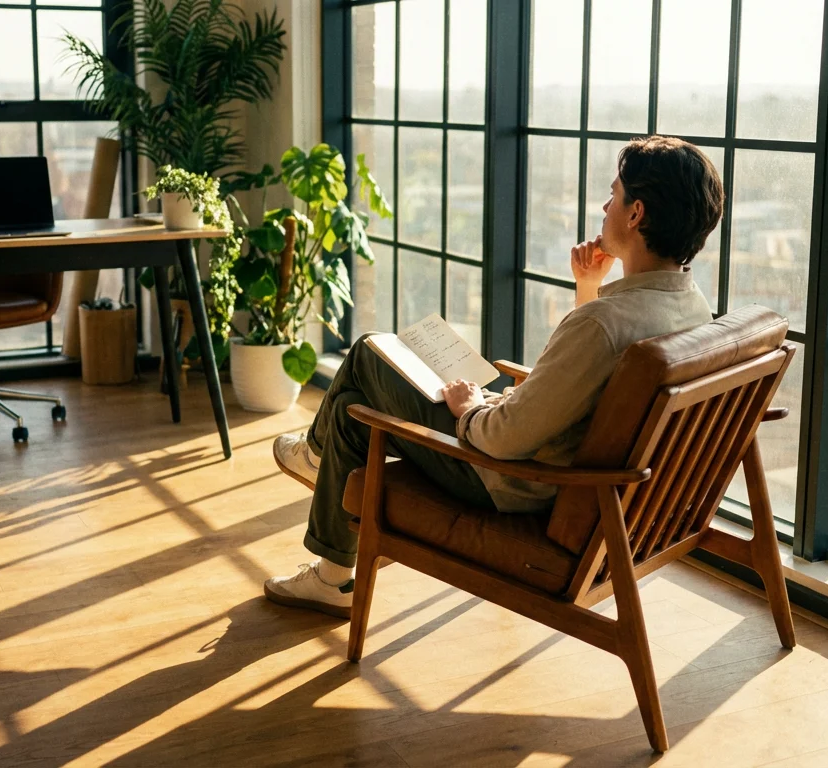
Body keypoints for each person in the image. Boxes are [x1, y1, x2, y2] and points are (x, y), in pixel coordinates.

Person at [263, 136, 723, 618]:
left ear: (635, 215)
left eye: (614, 194)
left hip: (510, 479)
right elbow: (591, 384)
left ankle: (314, 458)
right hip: (570, 473)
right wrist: (588, 287)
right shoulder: (692, 307)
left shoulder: (601, 325)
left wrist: (471, 409)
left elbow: (506, 440)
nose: (605, 205)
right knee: (349, 408)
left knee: (368, 353)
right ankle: (333, 579)